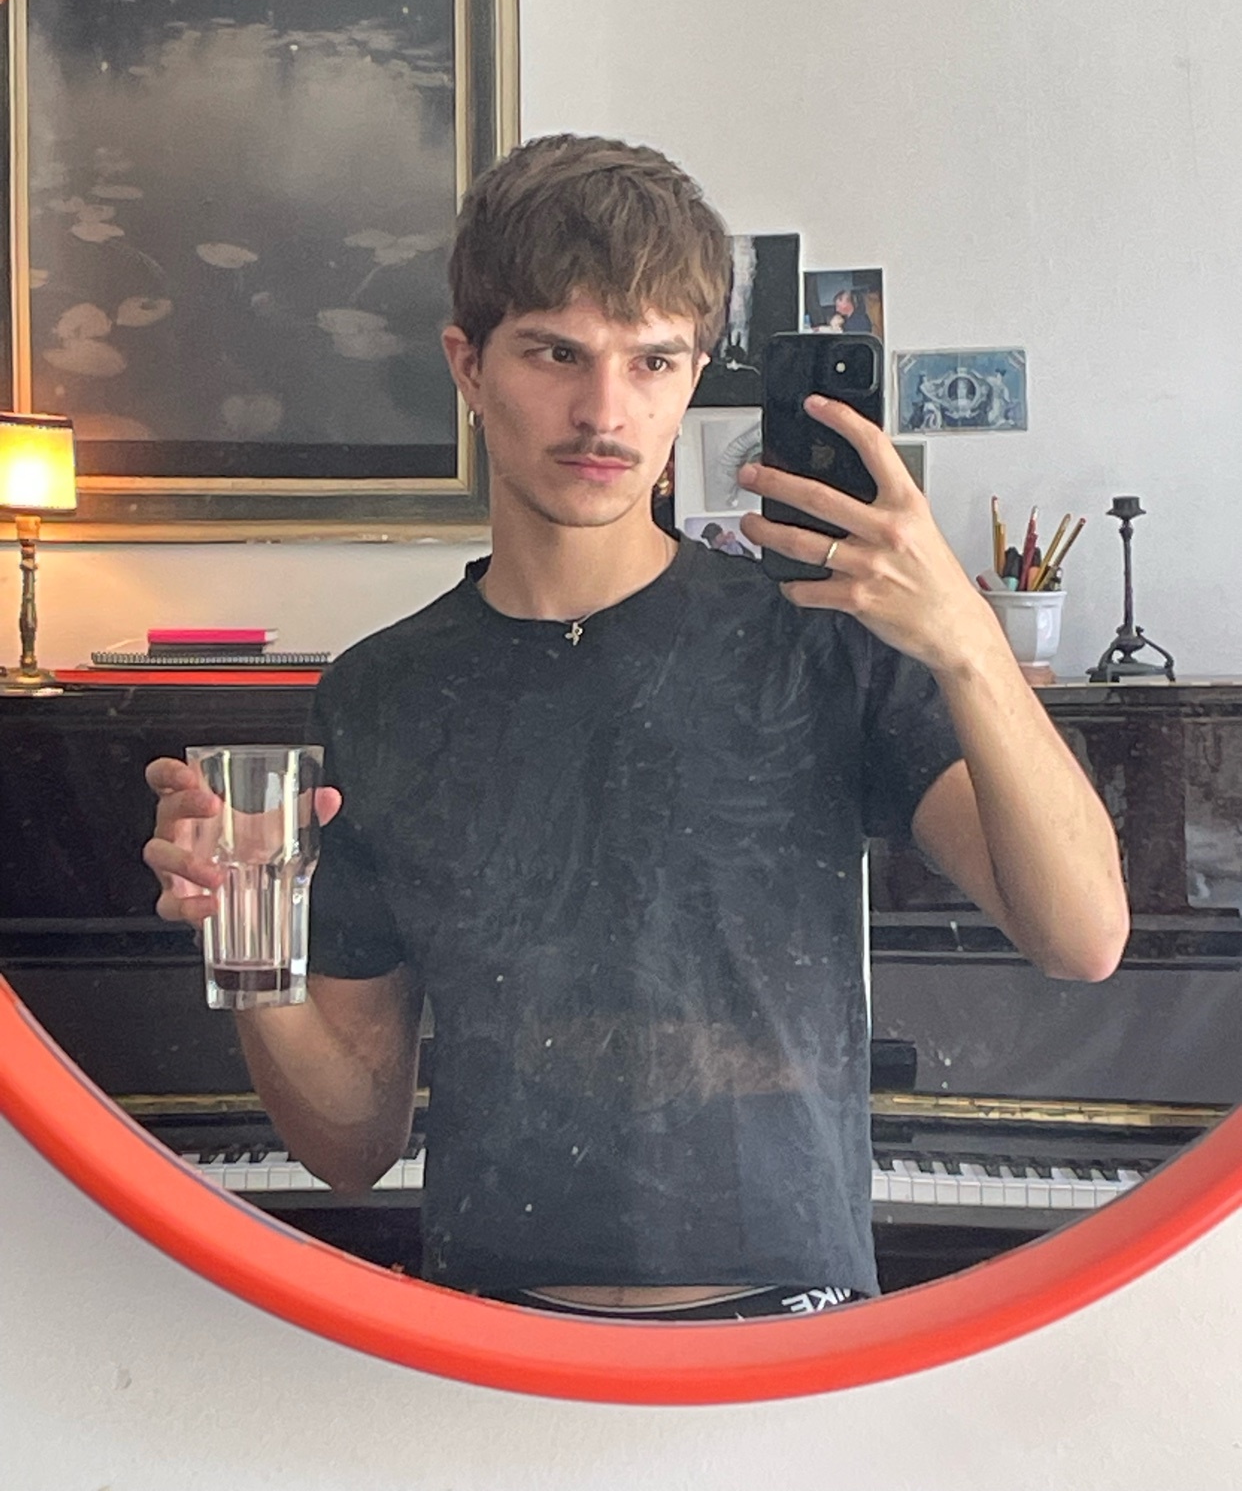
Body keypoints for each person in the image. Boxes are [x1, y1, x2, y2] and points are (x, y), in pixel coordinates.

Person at [143, 133, 1129, 1323]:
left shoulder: (821, 636)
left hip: (790, 1322)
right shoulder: (380, 692)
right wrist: (242, 943)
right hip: (492, 1333)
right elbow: (349, 1145)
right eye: (556, 352)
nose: (604, 410)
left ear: (694, 370)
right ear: (468, 363)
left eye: (651, 361)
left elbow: (1082, 938)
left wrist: (969, 634)